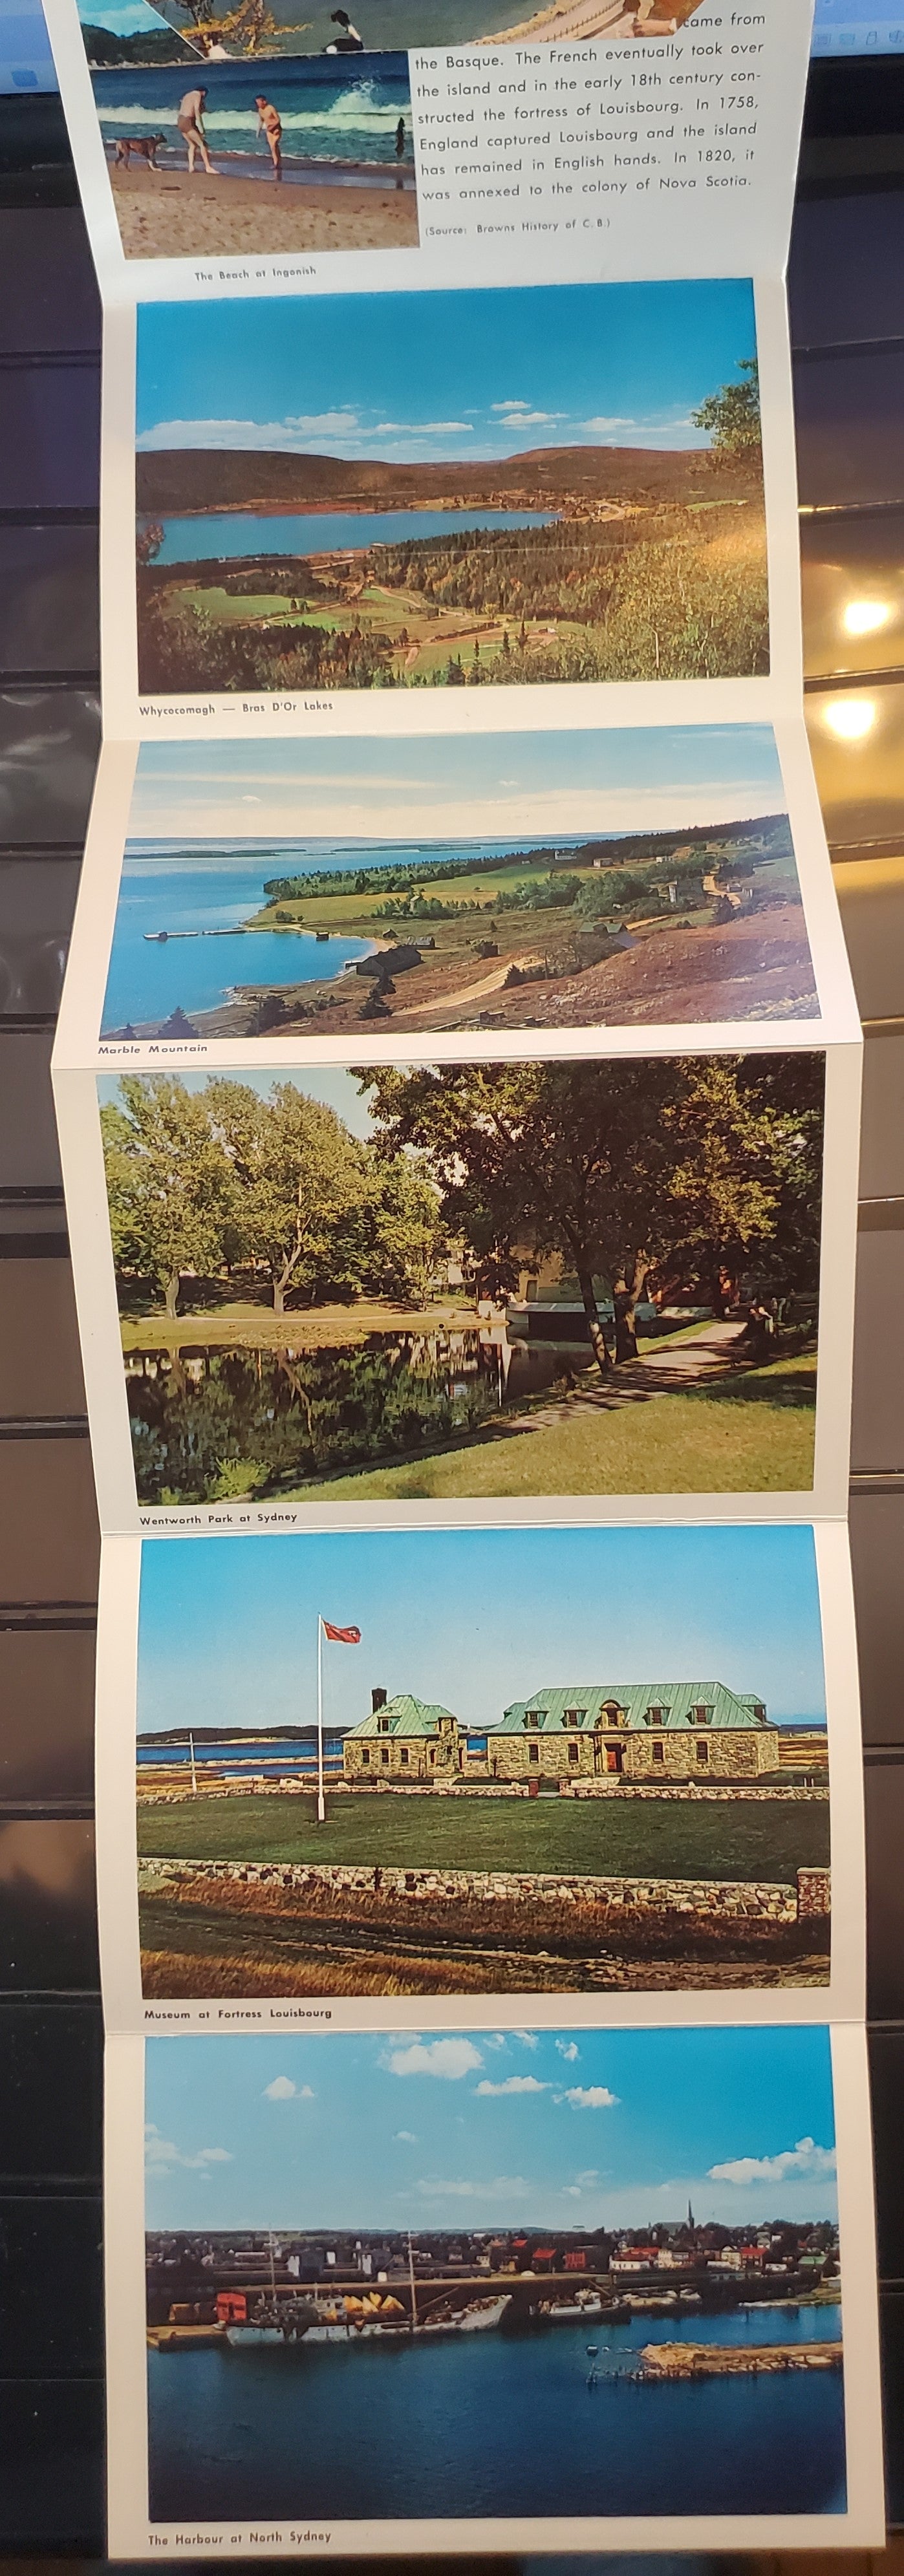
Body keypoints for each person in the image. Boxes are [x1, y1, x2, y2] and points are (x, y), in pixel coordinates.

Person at [177, 86, 215, 175]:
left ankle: (191, 167)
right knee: (202, 145)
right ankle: (208, 167)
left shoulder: (187, 95)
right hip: (188, 121)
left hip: (181, 121)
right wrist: (201, 127)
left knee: (192, 145)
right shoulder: (197, 95)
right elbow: (197, 111)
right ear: (203, 92)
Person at [255, 93, 283, 179]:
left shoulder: (271, 108)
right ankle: (277, 164)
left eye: (259, 102)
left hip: (276, 129)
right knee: (273, 148)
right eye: (257, 103)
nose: (258, 104)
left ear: (264, 101)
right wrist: (258, 130)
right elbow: (261, 120)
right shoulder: (260, 110)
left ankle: (277, 163)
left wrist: (272, 126)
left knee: (274, 145)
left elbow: (278, 119)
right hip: (269, 131)